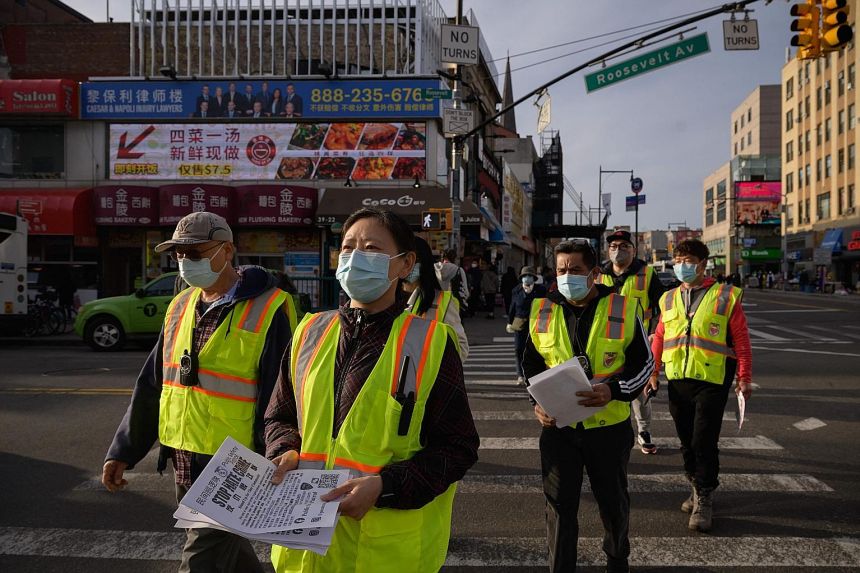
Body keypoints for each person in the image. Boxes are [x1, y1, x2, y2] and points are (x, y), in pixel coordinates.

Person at [264, 208, 479, 572]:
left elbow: (457, 448)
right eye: (348, 248)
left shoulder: (431, 343)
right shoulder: (309, 331)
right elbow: (280, 415)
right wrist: (284, 449)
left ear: (404, 263)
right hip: (302, 548)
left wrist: (386, 487)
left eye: (372, 249)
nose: (355, 258)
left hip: (385, 553)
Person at [101, 211, 298, 573]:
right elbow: (152, 384)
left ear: (227, 251)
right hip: (183, 455)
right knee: (229, 553)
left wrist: (278, 450)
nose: (186, 262)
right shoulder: (180, 305)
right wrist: (124, 450)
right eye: (179, 254)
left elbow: (281, 394)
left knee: (200, 559)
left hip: (236, 463)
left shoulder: (269, 309)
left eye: (195, 253)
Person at [522, 240, 653, 573]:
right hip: (558, 429)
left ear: (595, 273)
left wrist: (613, 391)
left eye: (576, 270)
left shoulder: (622, 307)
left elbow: (644, 363)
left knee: (613, 504)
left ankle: (616, 558)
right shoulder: (542, 308)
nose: (567, 277)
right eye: (561, 270)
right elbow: (532, 364)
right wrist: (537, 401)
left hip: (607, 430)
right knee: (559, 508)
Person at [649, 239, 752, 533]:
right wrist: (653, 372)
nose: (682, 265)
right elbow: (660, 336)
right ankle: (695, 485)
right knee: (685, 439)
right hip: (678, 378)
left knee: (703, 440)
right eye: (678, 260)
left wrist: (744, 377)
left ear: (704, 264)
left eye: (689, 260)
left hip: (712, 380)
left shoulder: (725, 295)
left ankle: (705, 495)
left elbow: (741, 341)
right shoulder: (668, 298)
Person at [598, 229, 666, 455]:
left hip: (638, 341)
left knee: (640, 390)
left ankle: (644, 431)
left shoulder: (646, 274)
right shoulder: (599, 274)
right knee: (606, 388)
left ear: (633, 250)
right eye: (614, 246)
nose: (618, 250)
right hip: (606, 342)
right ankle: (607, 430)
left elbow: (663, 306)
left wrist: (656, 332)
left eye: (624, 246)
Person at [402, 236, 469, 359]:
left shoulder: (442, 302)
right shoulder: (386, 298)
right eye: (402, 260)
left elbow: (461, 349)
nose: (406, 266)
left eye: (411, 260)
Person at [506, 266, 546, 386]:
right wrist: (509, 322)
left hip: (536, 324)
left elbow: (546, 307)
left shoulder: (541, 290)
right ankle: (520, 375)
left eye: (529, 276)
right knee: (519, 350)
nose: (527, 278)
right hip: (520, 323)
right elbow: (512, 307)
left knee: (536, 350)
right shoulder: (516, 290)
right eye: (524, 276)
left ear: (534, 278)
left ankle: (535, 374)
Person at [435, 249, 469, 316]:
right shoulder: (459, 270)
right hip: (453, 305)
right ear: (454, 258)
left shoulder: (434, 268)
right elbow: (465, 291)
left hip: (436, 305)